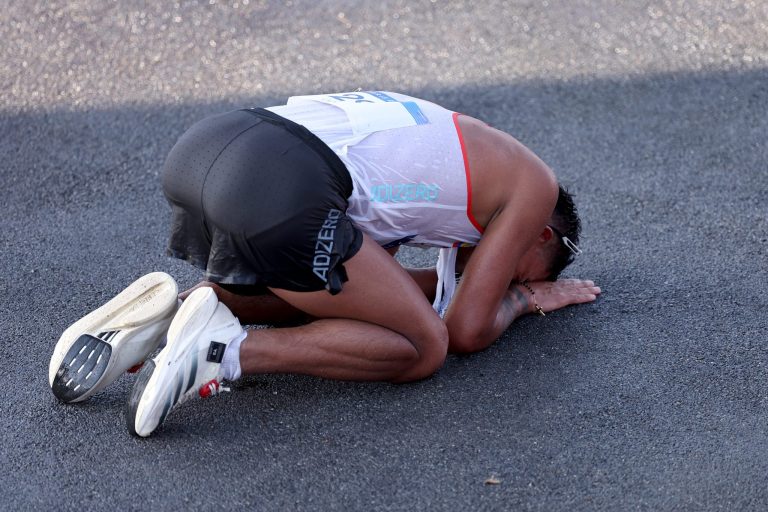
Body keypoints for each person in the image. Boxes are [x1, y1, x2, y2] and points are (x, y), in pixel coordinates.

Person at [48, 91, 600, 437]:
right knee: (424, 346)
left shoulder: (454, 159)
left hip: (213, 149)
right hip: (280, 184)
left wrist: (458, 288)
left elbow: (363, 290)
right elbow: (465, 329)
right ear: (542, 234)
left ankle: (168, 318)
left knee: (335, 295)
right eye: (515, 271)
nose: (500, 276)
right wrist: (526, 300)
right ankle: (220, 353)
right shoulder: (534, 185)